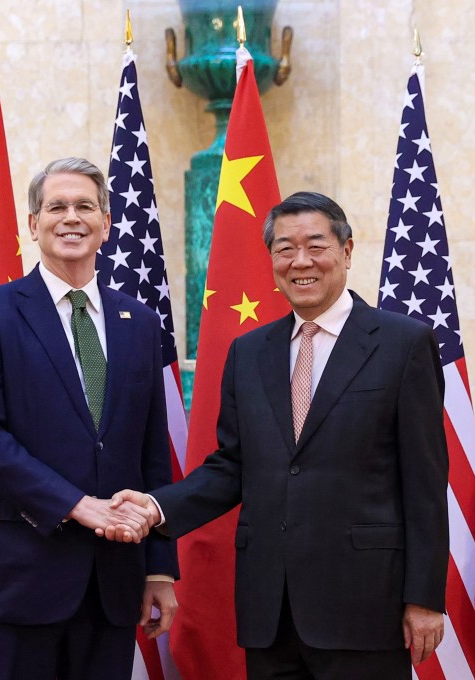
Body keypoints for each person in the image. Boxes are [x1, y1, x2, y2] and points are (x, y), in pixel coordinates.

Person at [106, 191, 449, 679]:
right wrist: (158, 508)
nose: (300, 262)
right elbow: (232, 466)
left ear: (347, 251)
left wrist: (424, 598)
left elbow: (426, 484)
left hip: (366, 608)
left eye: (316, 245)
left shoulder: (402, 343)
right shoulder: (249, 352)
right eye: (285, 248)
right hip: (270, 612)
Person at [0, 157, 177, 680]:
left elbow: (151, 451)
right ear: (34, 224)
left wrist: (160, 566)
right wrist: (75, 505)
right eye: (57, 206)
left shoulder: (138, 322)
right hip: (15, 579)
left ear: (105, 223)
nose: (71, 217)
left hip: (112, 584)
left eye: (85, 206)